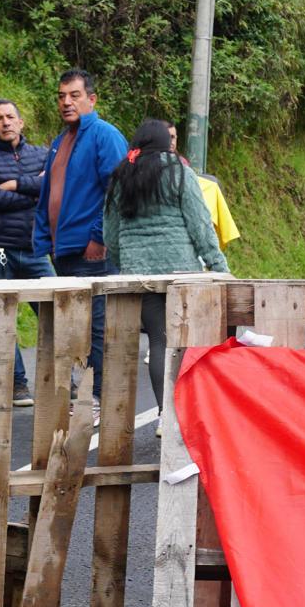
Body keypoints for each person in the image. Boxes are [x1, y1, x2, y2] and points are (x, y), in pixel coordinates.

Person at [104, 118, 229, 408]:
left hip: (140, 273)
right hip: (181, 271)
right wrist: (218, 266)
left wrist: (125, 263)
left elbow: (110, 233)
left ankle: (165, 414)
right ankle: (187, 411)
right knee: (185, 340)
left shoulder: (122, 176)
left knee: (159, 341)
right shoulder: (179, 172)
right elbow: (200, 225)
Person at [34, 68, 128, 414]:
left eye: (74, 95)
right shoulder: (61, 140)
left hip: (92, 251)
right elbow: (49, 193)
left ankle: (99, 397)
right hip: (64, 250)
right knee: (77, 326)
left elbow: (117, 191)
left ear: (92, 99)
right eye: (61, 96)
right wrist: (44, 239)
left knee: (98, 326)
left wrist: (98, 237)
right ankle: (87, 393)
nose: (66, 102)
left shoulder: (105, 135)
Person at [0, 98, 53, 406]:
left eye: (9, 117)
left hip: (35, 250)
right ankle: (16, 384)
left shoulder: (43, 155)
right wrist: (33, 191)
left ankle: (62, 379)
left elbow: (53, 188)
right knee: (0, 321)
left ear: (20, 122)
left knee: (55, 314)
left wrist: (15, 183)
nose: (5, 122)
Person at [164, 120, 240, 250]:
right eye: (167, 137)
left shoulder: (182, 162)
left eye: (173, 137)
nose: (171, 141)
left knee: (212, 183)